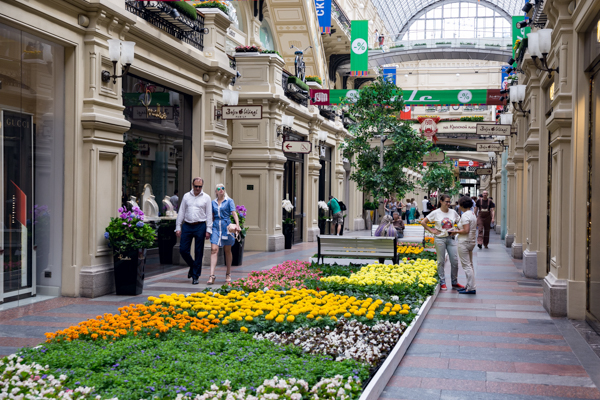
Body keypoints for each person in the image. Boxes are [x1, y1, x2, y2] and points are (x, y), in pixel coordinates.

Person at [421, 194, 464, 291]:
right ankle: (442, 282)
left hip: (451, 239)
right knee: (440, 261)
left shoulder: (453, 212)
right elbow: (423, 222)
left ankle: (454, 282)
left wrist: (456, 230)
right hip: (440, 239)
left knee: (455, 261)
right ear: (441, 201)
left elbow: (460, 222)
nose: (449, 203)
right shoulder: (435, 213)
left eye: (449, 201)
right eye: (447, 201)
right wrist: (431, 230)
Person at [176, 177, 212, 285]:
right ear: (192, 185)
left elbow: (209, 214)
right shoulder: (186, 196)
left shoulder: (206, 198)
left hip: (200, 225)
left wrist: (208, 230)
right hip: (187, 225)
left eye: (200, 186)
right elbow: (181, 211)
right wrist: (178, 227)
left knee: (198, 252)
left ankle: (195, 276)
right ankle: (192, 266)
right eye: (196, 186)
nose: (198, 188)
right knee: (183, 250)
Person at [207, 184, 240, 285]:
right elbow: (211, 216)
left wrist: (237, 225)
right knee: (213, 249)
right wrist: (208, 229)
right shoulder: (213, 203)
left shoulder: (229, 201)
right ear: (216, 192)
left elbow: (234, 213)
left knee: (227, 250)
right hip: (216, 227)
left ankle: (228, 272)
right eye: (218, 189)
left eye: (223, 188)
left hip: (226, 227)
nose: (221, 190)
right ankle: (212, 275)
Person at [454, 196, 477, 294]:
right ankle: (468, 286)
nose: (458, 206)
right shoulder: (472, 213)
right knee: (470, 265)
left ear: (462, 205)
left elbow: (466, 230)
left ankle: (471, 288)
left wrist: (455, 231)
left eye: (459, 204)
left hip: (464, 242)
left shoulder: (465, 215)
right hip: (471, 241)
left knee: (467, 266)